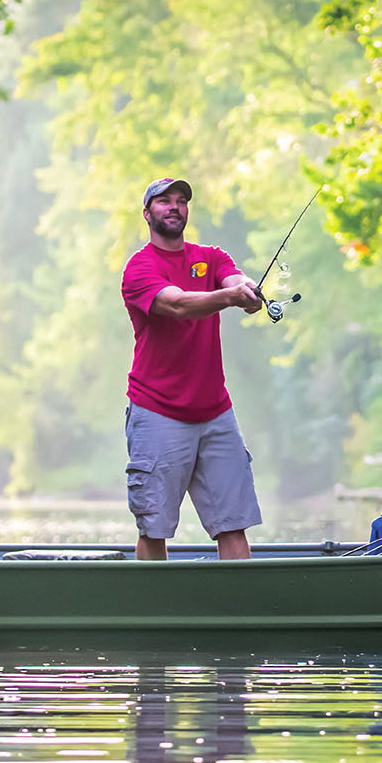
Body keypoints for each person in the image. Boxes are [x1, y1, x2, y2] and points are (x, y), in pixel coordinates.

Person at [120, 177, 265, 560]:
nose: (174, 207)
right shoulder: (140, 268)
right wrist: (231, 297)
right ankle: (154, 614)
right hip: (157, 412)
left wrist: (247, 291)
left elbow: (234, 278)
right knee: (154, 528)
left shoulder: (211, 257)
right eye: (164, 201)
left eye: (182, 201)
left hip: (216, 413)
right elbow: (179, 304)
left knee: (233, 524)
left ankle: (240, 614)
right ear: (147, 213)